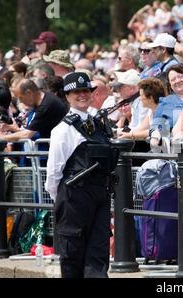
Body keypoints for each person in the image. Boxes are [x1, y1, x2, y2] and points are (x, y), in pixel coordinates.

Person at [45, 72, 119, 278]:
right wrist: (59, 197)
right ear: (67, 96)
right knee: (73, 252)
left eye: (85, 90)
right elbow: (54, 170)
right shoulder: (63, 129)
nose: (82, 95)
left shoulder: (98, 123)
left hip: (99, 194)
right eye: (76, 92)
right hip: (74, 194)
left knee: (98, 249)